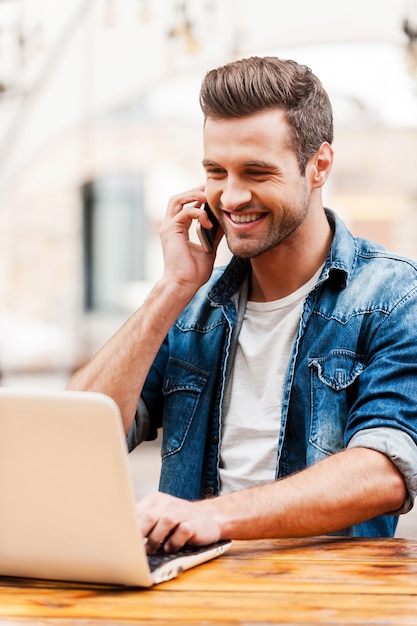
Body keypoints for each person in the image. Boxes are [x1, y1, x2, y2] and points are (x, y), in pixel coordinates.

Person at [67, 56, 417, 553]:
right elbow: (76, 438)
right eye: (216, 171)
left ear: (319, 166)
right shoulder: (188, 306)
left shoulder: (393, 296)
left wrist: (211, 517)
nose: (230, 197)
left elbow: (385, 470)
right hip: (188, 591)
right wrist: (171, 290)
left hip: (325, 601)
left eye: (256, 171)